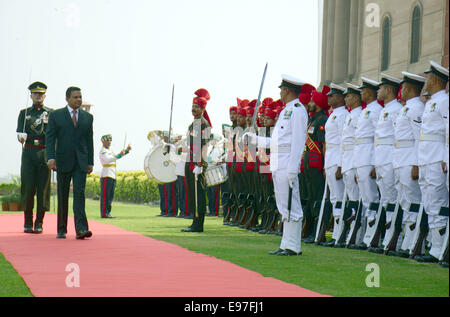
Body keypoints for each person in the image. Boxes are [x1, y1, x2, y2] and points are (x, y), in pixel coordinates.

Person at [249, 74, 309, 256]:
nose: (280, 93)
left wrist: (293, 168)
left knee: (292, 205)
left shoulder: (298, 111)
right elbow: (276, 142)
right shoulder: (285, 111)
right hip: (278, 162)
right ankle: (286, 244)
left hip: (287, 164)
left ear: (287, 90)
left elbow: (298, 142)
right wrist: (256, 139)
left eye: (282, 90)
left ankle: (293, 246)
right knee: (284, 205)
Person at [386, 71, 426, 257]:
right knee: (404, 201)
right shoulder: (407, 108)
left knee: (412, 201)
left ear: (409, 88)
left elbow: (419, 137)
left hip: (410, 159)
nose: (401, 90)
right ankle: (406, 241)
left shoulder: (416, 107)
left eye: (403, 87)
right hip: (400, 159)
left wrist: (417, 163)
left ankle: (413, 242)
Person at [46, 86, 94, 240]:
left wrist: (90, 162)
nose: (78, 100)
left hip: (81, 162)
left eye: (80, 97)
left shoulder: (87, 117)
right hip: (62, 161)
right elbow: (50, 138)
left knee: (79, 194)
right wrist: (50, 157)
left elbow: (89, 141)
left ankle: (81, 229)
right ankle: (61, 229)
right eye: (75, 97)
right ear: (67, 99)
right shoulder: (56, 115)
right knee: (63, 194)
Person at [414, 61, 449, 263]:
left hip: (437, 157)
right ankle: (435, 247)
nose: (425, 81)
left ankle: (440, 249)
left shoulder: (444, 100)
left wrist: (445, 157)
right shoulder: (432, 102)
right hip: (426, 157)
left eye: (428, 78)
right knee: (429, 202)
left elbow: (447, 130)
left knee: (438, 203)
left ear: (435, 79)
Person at [366, 74, 403, 253]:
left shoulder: (395, 109)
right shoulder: (385, 110)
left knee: (393, 198)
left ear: (388, 90)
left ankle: (395, 238)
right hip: (381, 158)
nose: (378, 91)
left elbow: (398, 137)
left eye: (380, 88)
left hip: (389, 157)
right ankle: (388, 238)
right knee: (386, 199)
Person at [347, 77, 382, 250]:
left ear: (371, 92)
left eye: (364, 90)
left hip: (368, 157)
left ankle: (371, 237)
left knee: (371, 198)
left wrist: (375, 163)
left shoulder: (375, 110)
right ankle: (364, 236)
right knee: (365, 200)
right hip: (360, 157)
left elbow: (377, 137)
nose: (361, 93)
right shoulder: (366, 111)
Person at [16, 82, 53, 233]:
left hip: (44, 152)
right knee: (28, 188)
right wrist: (20, 137)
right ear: (31, 95)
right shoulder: (24, 113)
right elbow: (19, 132)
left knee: (43, 189)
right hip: (29, 153)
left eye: (41, 94)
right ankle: (27, 222)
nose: (38, 96)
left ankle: (39, 222)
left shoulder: (51, 113)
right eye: (35, 94)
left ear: (45, 95)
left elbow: (54, 135)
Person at [321, 83, 348, 247]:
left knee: (339, 197)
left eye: (332, 95)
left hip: (337, 157)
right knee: (333, 198)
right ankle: (337, 233)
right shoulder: (333, 114)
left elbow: (343, 141)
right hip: (330, 157)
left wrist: (340, 165)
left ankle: (340, 233)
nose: (329, 97)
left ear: (341, 97)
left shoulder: (343, 114)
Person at [181, 88, 212, 232]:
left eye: (197, 107)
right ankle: (194, 221)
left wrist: (200, 162)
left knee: (198, 193)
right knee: (191, 193)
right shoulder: (192, 124)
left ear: (202, 109)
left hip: (198, 162)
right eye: (193, 106)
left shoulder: (204, 124)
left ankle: (199, 224)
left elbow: (205, 144)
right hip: (190, 160)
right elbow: (191, 144)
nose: (194, 109)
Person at [336, 84, 362, 247]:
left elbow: (359, 141)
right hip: (347, 159)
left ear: (356, 98)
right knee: (352, 198)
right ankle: (351, 234)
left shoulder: (359, 114)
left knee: (357, 199)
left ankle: (357, 235)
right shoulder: (352, 114)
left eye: (349, 96)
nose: (346, 99)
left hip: (354, 159)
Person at [301, 86, 328, 244]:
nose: (309, 103)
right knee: (309, 197)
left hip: (316, 165)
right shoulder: (312, 119)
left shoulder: (322, 120)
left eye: (312, 100)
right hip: (308, 164)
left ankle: (319, 232)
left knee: (317, 197)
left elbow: (324, 144)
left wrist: (324, 166)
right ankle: (310, 230)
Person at [98, 134, 131, 218]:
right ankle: (104, 213)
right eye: (107, 140)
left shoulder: (110, 150)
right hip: (106, 174)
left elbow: (116, 156)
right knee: (105, 195)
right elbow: (109, 159)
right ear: (103, 141)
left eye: (110, 140)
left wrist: (126, 151)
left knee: (110, 195)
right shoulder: (103, 151)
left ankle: (108, 212)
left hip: (112, 174)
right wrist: (120, 154)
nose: (109, 142)